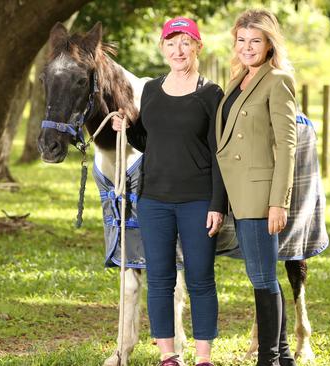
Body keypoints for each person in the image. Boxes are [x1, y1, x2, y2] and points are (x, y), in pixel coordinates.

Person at [112, 16, 226, 366]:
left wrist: (217, 204)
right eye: (171, 43)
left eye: (185, 42)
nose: (179, 50)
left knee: (200, 278)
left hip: (197, 200)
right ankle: (168, 355)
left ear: (197, 47)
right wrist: (126, 128)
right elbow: (149, 142)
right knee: (160, 279)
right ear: (163, 48)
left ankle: (203, 356)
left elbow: (220, 152)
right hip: (154, 199)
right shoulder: (151, 91)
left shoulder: (211, 94)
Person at [215, 9, 297, 366]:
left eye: (255, 41)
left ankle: (269, 358)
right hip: (237, 194)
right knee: (261, 276)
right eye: (242, 40)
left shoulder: (277, 80)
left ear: (269, 45)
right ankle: (281, 356)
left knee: (263, 277)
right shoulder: (239, 80)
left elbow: (287, 145)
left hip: (260, 196)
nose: (247, 47)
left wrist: (278, 202)